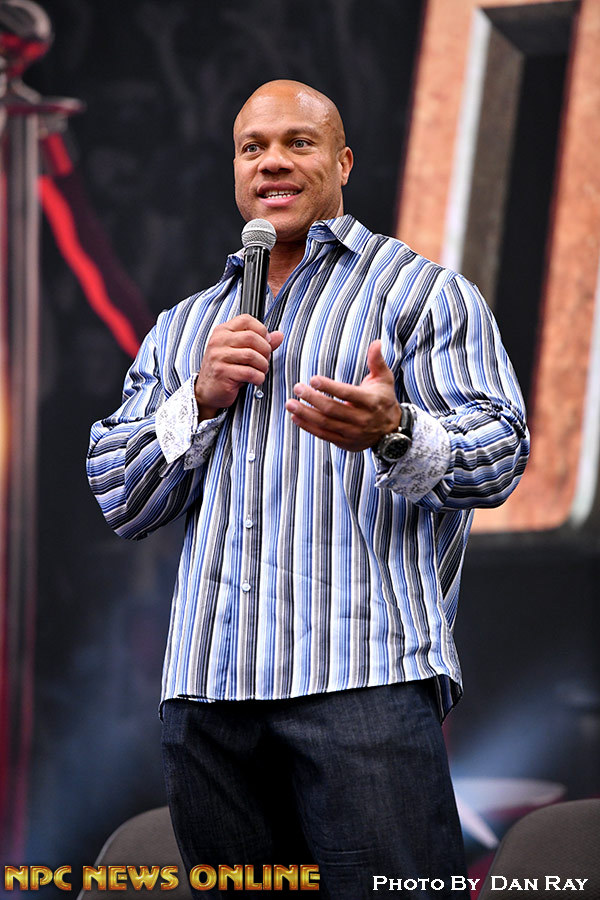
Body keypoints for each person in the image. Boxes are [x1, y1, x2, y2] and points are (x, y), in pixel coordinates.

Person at [87, 80, 529, 898]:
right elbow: (120, 494)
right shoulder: (186, 329)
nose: (272, 162)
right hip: (209, 693)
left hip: (362, 679)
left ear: (344, 162)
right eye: (252, 147)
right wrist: (197, 399)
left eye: (298, 142)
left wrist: (396, 431)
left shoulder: (422, 294)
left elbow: (500, 456)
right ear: (235, 169)